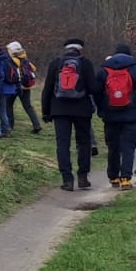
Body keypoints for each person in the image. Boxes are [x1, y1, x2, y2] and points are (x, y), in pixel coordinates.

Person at [41, 38, 96, 190]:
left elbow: (48, 89)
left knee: (62, 144)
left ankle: (67, 180)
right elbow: (93, 88)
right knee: (84, 143)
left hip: (59, 110)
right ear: (80, 49)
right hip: (82, 110)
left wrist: (46, 111)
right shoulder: (86, 64)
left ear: (65, 49)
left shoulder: (55, 63)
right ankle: (83, 177)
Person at [94, 42, 136, 188]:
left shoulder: (103, 70)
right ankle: (125, 178)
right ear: (130, 55)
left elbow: (97, 93)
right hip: (131, 115)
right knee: (128, 147)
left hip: (110, 115)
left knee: (113, 146)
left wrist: (102, 110)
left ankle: (113, 177)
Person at [6, 41, 44, 134]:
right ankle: (37, 125)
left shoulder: (13, 60)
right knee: (28, 106)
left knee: (8, 105)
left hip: (16, 86)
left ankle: (10, 126)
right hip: (26, 87)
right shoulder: (25, 58)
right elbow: (33, 68)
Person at [0, 43, 22, 132]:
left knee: (1, 109)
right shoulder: (8, 58)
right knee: (4, 108)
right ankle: (7, 126)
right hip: (11, 88)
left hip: (3, 88)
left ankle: (6, 128)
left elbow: (0, 75)